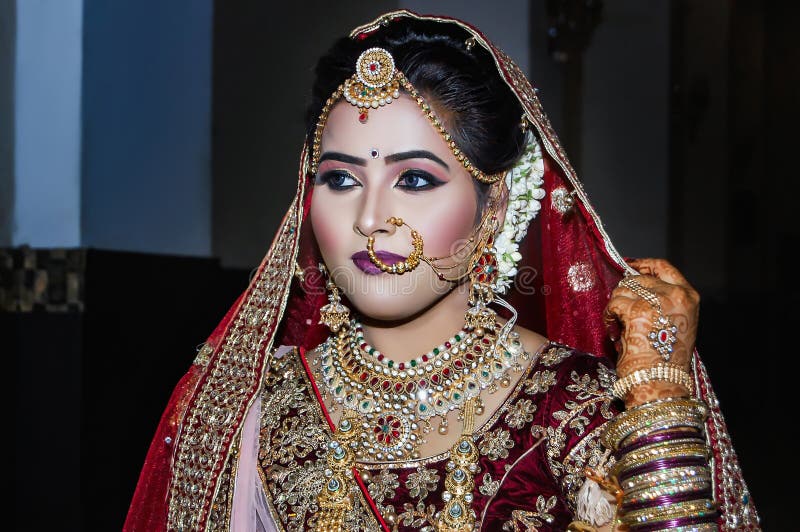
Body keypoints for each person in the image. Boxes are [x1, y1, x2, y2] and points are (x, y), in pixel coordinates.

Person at [124, 10, 759, 531]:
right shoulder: (252, 409)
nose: (371, 218)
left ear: (496, 206)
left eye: (416, 179)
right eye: (341, 178)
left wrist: (659, 398)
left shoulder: (582, 409)